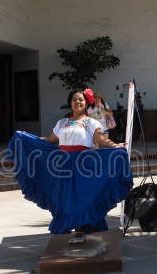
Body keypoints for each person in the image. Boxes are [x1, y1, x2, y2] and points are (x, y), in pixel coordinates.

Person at [7, 89, 131, 235]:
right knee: (65, 200)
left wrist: (115, 146)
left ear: (86, 103)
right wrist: (28, 139)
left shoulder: (91, 122)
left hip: (84, 166)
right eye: (74, 99)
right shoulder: (62, 123)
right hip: (63, 166)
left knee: (83, 198)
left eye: (81, 99)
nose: (78, 102)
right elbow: (50, 140)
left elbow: (101, 139)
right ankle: (67, 231)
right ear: (70, 103)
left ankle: (83, 228)